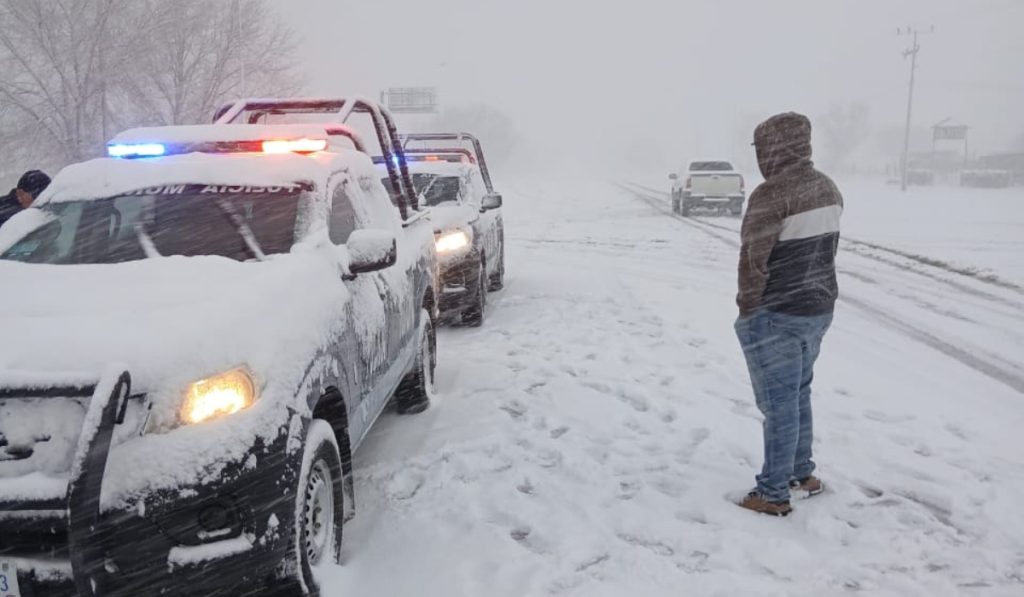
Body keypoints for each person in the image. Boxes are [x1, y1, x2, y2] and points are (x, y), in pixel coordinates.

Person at [733, 112, 843, 516]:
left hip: (776, 313)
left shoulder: (772, 194)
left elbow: (753, 260)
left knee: (778, 404)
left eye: (763, 147)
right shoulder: (828, 188)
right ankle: (801, 473)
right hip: (818, 309)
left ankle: (773, 492)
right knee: (798, 393)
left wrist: (748, 310)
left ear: (774, 148)